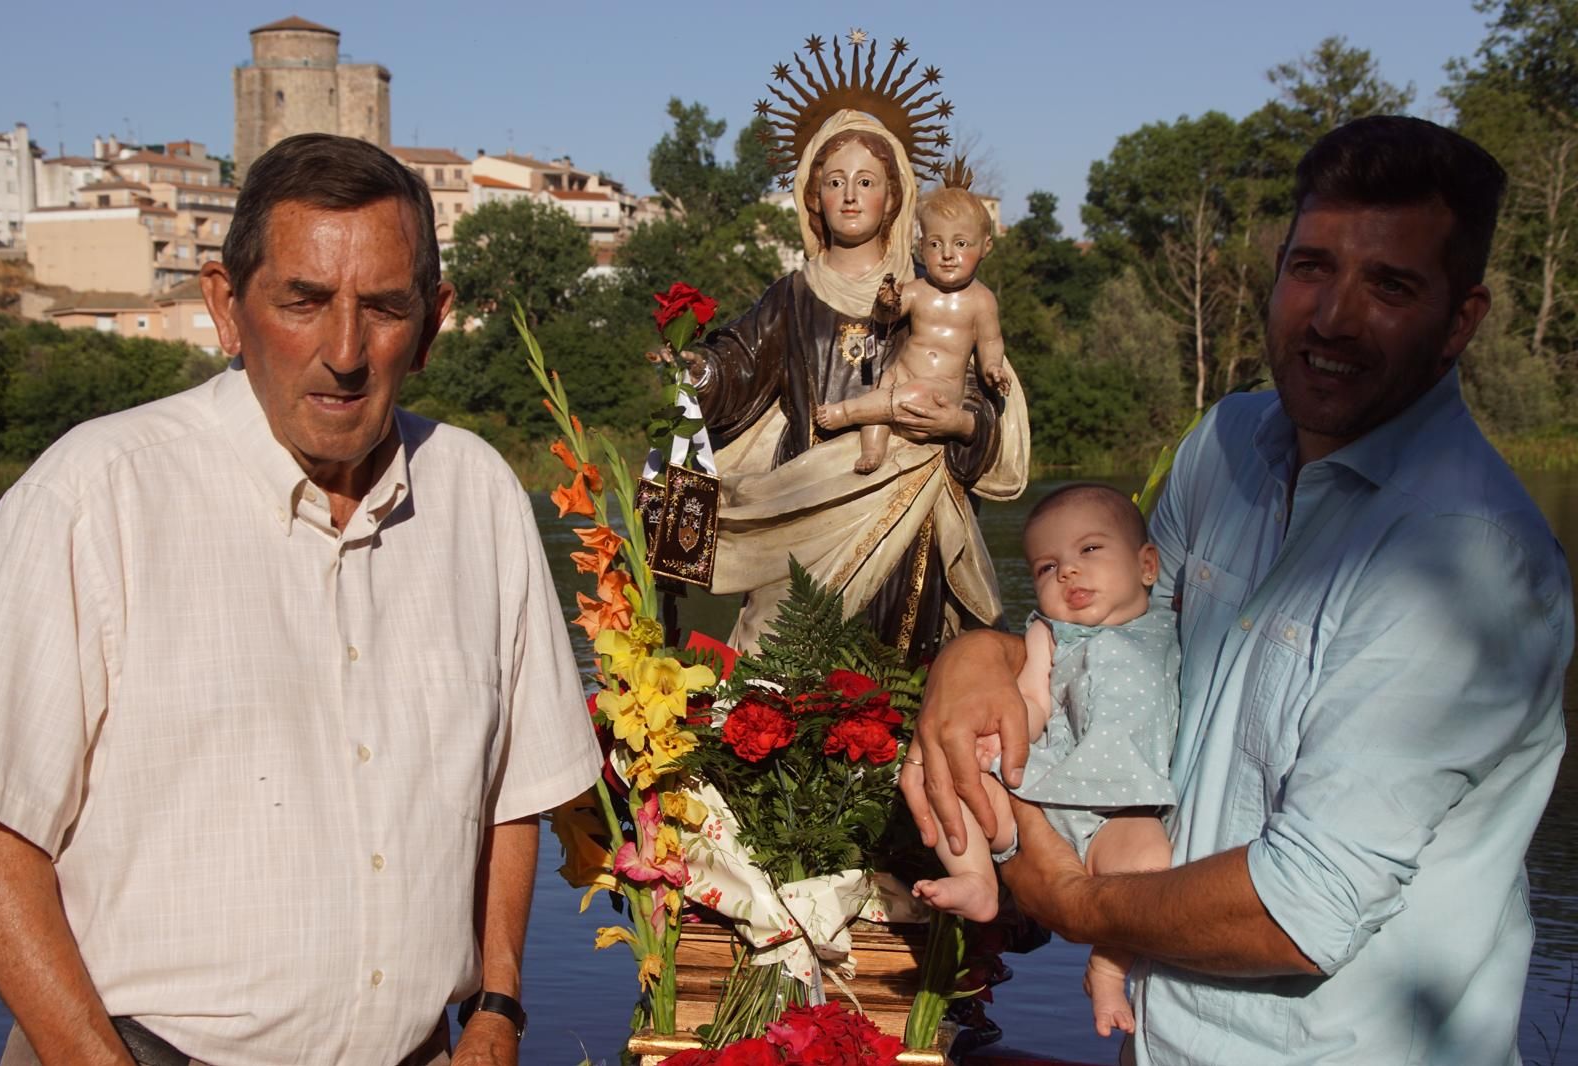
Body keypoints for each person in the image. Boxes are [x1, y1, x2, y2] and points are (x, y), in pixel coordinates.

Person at [903, 115, 1574, 1065]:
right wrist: (978, 657)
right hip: (1155, 1040)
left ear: (1461, 321)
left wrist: (1070, 896)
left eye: (1390, 285)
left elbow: (1300, 909)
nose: (1332, 317)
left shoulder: (1466, 562)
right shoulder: (1225, 448)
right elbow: (1124, 637)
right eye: (1311, 267)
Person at [0, 133, 602, 1066]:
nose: (344, 352)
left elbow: (513, 791)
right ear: (225, 308)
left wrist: (497, 1007)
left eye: (383, 308)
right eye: (303, 302)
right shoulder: (94, 497)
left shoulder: (479, 499)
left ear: (433, 323)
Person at [674, 109, 1029, 663]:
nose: (849, 196)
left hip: (905, 491)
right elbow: (739, 365)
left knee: (894, 667)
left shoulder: (934, 291)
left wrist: (958, 422)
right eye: (835, 181)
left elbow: (981, 391)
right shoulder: (791, 296)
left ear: (893, 197)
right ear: (813, 196)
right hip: (804, 491)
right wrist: (701, 371)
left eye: (866, 182)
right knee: (784, 656)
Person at [911, 484, 1176, 1038]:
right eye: (1047, 567)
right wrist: (998, 741)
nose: (1068, 572)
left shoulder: (1172, 625)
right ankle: (976, 880)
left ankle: (1108, 967)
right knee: (953, 778)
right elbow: (1031, 699)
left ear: (1147, 565)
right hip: (1047, 784)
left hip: (1124, 806)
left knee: (1151, 868)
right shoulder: (1048, 634)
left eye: (1090, 550)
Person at [814, 184, 1008, 474]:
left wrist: (993, 367)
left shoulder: (982, 301)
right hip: (901, 375)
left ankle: (846, 411)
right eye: (935, 244)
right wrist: (886, 303)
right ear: (921, 246)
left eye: (960, 244)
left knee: (899, 397)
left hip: (939, 388)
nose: (947, 254)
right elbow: (886, 317)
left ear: (985, 247)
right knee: (880, 402)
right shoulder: (918, 290)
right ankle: (873, 450)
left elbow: (990, 342)